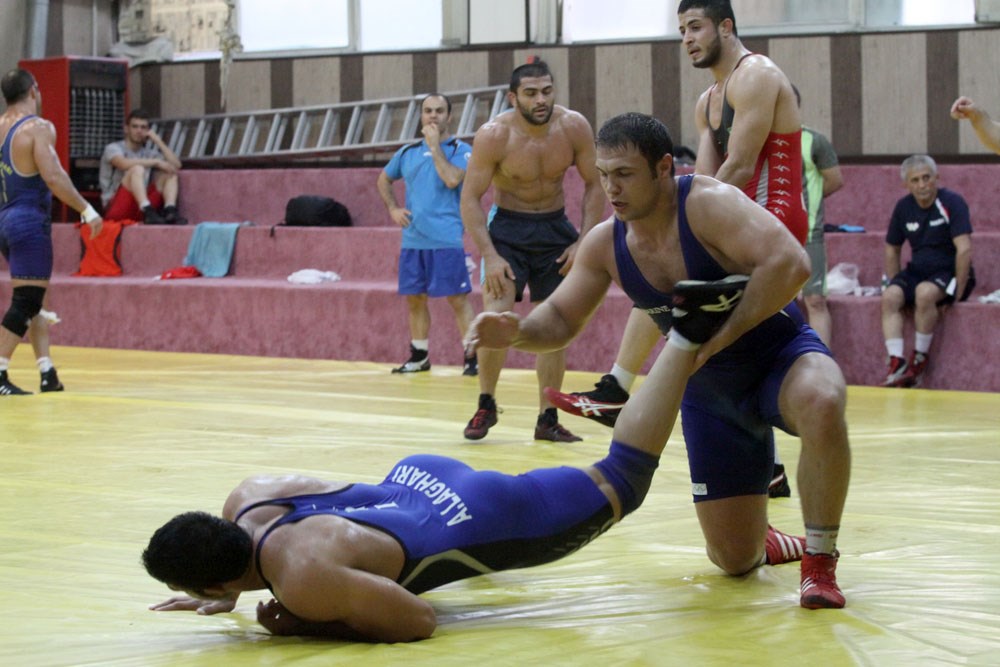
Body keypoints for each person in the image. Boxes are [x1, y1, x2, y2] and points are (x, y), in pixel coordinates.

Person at [144, 322, 809, 641]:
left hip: (471, 514)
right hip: (416, 475)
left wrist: (303, 624)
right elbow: (252, 544)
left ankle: (686, 337)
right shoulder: (248, 495)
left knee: (623, 479)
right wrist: (230, 592)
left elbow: (416, 621)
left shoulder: (302, 578)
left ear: (215, 584)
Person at [468, 113, 850, 610]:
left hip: (778, 356)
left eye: (624, 174)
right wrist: (517, 331)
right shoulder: (606, 242)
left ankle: (819, 561)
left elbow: (791, 263)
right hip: (710, 392)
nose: (612, 188)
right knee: (734, 559)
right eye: (604, 175)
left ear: (664, 167)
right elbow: (560, 318)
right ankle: (770, 541)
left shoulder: (707, 203)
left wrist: (720, 337)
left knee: (823, 400)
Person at [548, 0, 808, 496]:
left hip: (773, 217)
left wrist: (682, 228)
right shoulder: (708, 100)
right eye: (682, 29)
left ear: (726, 27)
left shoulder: (756, 75)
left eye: (696, 27)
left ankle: (617, 386)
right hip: (735, 212)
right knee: (664, 275)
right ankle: (766, 465)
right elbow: (703, 180)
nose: (687, 38)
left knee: (672, 277)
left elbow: (738, 167)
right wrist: (671, 227)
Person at [459, 57, 605, 442]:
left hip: (555, 230)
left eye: (547, 91)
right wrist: (490, 255)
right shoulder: (494, 135)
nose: (541, 100)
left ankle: (547, 418)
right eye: (531, 93)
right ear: (513, 98)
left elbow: (595, 184)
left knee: (554, 325)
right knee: (496, 316)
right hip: (508, 230)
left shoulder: (573, 127)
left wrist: (583, 241)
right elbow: (470, 198)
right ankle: (486, 403)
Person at [1, 68, 102, 395]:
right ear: (34, 90)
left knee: (37, 297)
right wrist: (86, 210)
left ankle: (47, 371)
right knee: (28, 299)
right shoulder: (38, 128)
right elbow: (54, 177)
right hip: (29, 221)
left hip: (5, 220)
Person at [376, 94, 477, 376]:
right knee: (415, 299)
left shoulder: (462, 151)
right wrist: (393, 208)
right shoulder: (407, 152)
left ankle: (472, 357)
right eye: (428, 111)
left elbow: (452, 179)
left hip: (446, 238)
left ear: (449, 116)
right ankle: (419, 356)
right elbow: (384, 179)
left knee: (457, 299)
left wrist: (434, 147)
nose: (433, 115)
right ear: (421, 116)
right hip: (413, 239)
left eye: (439, 111)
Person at [881, 154, 974, 388]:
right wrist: (895, 282)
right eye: (915, 180)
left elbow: (964, 249)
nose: (922, 185)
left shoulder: (952, 203)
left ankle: (919, 360)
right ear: (906, 184)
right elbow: (892, 249)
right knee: (890, 296)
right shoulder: (903, 207)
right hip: (918, 271)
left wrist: (958, 293)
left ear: (937, 177)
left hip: (948, 271)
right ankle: (896, 363)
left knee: (924, 293)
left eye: (926, 178)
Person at [795, 85, 843, 348]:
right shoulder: (760, 143)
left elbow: (834, 180)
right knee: (775, 305)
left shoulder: (814, 141)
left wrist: (802, 203)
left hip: (809, 233)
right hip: (771, 235)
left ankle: (821, 360)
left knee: (815, 300)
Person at [99, 108, 185, 225]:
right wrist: (156, 162)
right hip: (116, 206)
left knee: (169, 172)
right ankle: (147, 209)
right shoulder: (113, 148)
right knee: (137, 169)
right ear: (126, 129)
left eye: (143, 127)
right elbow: (123, 164)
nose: (139, 131)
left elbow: (177, 165)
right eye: (135, 127)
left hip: (142, 209)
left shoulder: (149, 153)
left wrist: (158, 141)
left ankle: (170, 210)